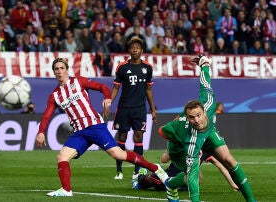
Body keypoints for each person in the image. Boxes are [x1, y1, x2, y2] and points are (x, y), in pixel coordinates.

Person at [35, 57, 169, 197]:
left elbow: (102, 87)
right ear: (54, 72)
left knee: (118, 154)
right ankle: (66, 190)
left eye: (62, 68)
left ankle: (155, 168)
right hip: (79, 132)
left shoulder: (78, 81)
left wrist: (107, 98)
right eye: (56, 69)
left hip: (95, 126)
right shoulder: (55, 95)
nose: (59, 71)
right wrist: (41, 132)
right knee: (62, 157)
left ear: (67, 70)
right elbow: (46, 115)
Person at [157, 55, 256, 202]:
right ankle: (171, 184)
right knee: (192, 174)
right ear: (187, 117)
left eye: (198, 115)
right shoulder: (190, 140)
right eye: (191, 117)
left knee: (228, 160)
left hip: (208, 132)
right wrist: (176, 139)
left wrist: (204, 64)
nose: (196, 120)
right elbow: (161, 130)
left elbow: (205, 82)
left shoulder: (209, 102)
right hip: (179, 146)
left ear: (204, 111)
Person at [108, 36, 157, 180]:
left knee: (138, 136)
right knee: (122, 137)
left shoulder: (147, 67)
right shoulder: (122, 67)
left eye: (137, 48)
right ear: (129, 50)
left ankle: (137, 171)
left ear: (141, 51)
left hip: (139, 109)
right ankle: (119, 170)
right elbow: (116, 87)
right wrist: (109, 101)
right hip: (124, 108)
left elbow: (148, 89)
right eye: (132, 48)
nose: (135, 50)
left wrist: (153, 109)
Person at [134, 150, 239, 192]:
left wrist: (233, 184)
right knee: (154, 180)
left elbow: (219, 165)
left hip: (185, 182)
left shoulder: (205, 147)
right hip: (167, 176)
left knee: (182, 187)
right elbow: (164, 159)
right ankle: (139, 178)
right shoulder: (181, 141)